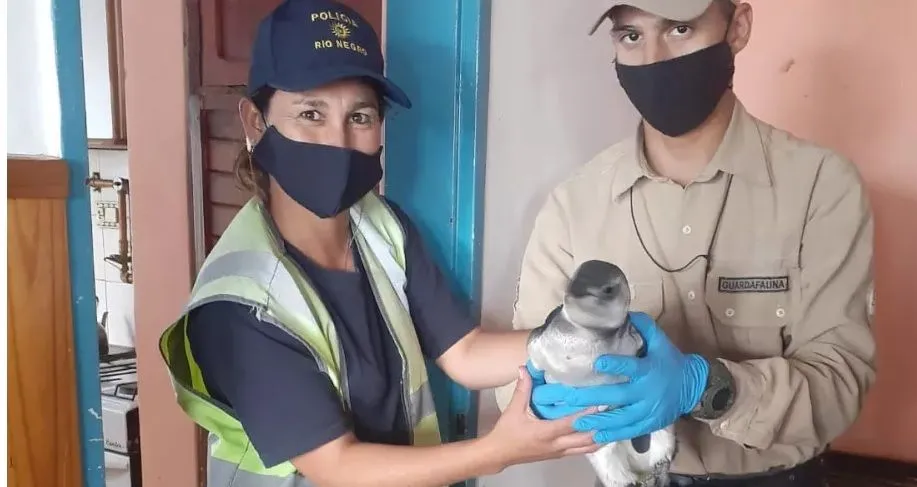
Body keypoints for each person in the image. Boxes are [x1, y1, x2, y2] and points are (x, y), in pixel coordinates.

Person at [158, 1, 601, 486]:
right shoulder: (240, 305)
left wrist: (580, 342)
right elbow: (339, 466)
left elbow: (466, 353)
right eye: (311, 113)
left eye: (361, 116)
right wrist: (498, 452)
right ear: (255, 123)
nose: (339, 141)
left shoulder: (383, 229)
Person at [495, 0, 877, 485]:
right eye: (631, 36)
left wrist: (707, 387)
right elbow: (519, 373)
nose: (654, 57)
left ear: (737, 27)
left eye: (680, 28)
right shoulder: (574, 204)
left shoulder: (821, 187)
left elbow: (841, 382)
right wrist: (541, 391)